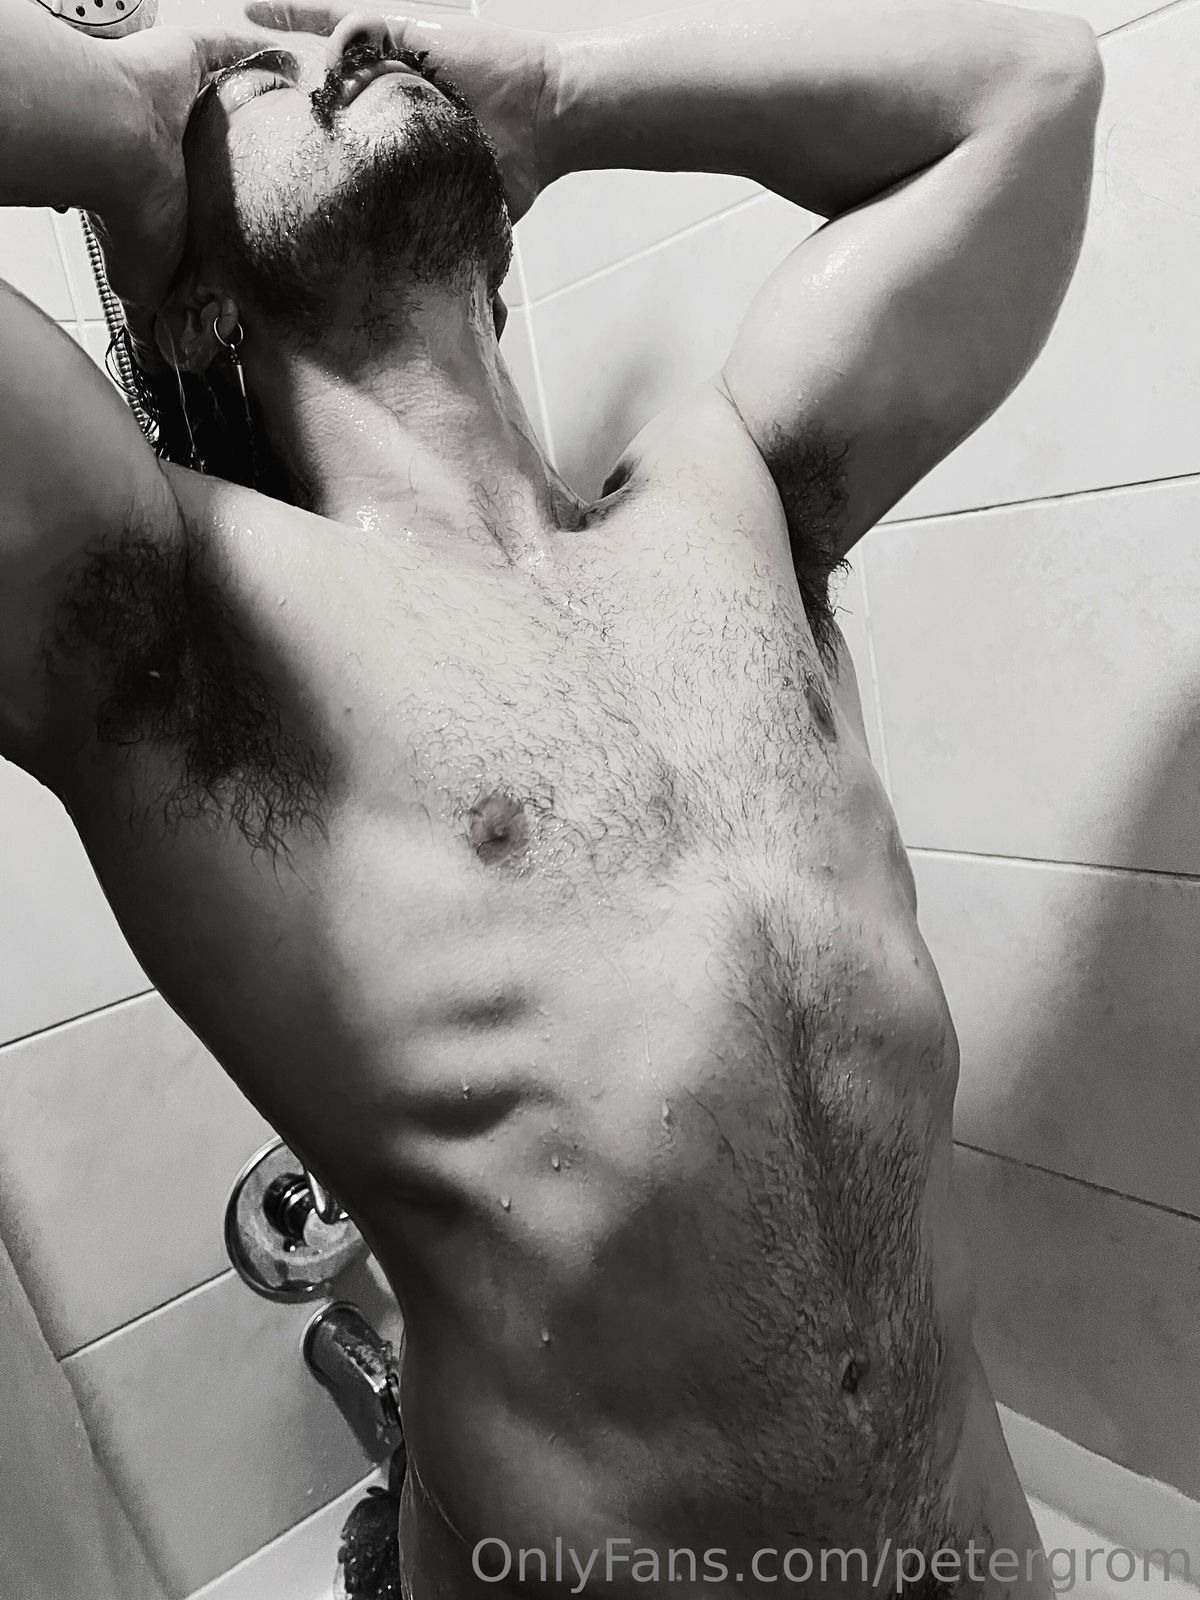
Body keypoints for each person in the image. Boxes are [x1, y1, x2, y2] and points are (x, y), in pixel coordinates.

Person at [0, 0, 1104, 1594]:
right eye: (250, 71)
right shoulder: (174, 624)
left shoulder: (735, 492)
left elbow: (1031, 90)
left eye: (327, 31)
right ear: (194, 313)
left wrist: (562, 94)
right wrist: (123, 113)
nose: (327, 42)